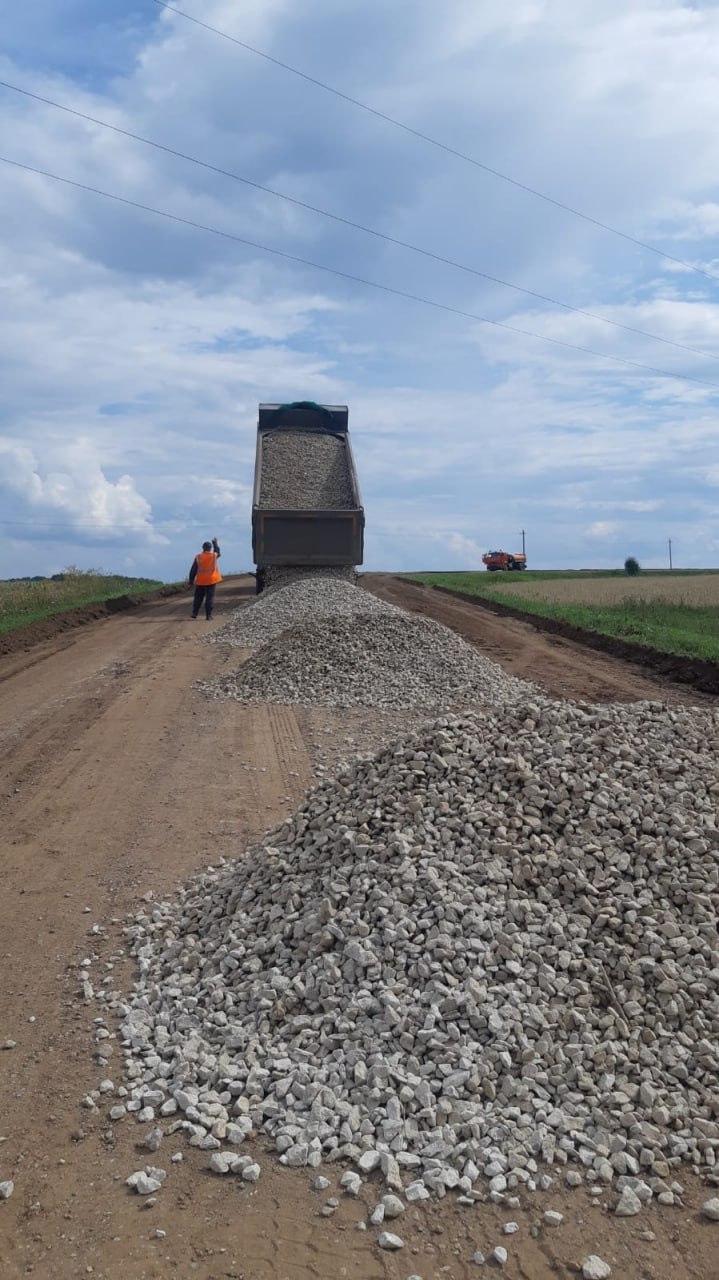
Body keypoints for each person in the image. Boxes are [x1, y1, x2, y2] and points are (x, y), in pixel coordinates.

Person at [189, 537, 222, 619]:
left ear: (203, 548)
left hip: (200, 581)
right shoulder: (213, 556)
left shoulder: (198, 557)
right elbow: (218, 552)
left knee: (198, 598)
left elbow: (193, 570)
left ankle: (194, 613)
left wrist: (191, 581)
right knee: (209, 598)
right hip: (211, 580)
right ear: (210, 548)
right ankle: (208, 615)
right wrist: (215, 544)